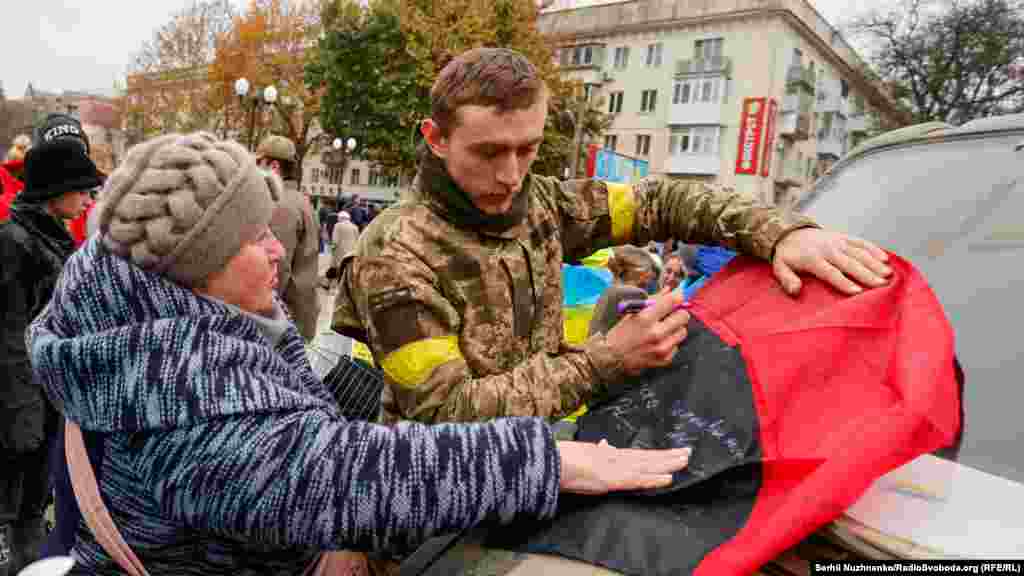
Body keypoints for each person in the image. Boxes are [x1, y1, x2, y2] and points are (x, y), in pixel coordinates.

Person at [28, 132, 693, 575]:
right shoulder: (171, 389)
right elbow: (340, 478)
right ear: (196, 276)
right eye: (255, 238)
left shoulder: (167, 309)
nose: (279, 250)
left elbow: (290, 403)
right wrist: (545, 458)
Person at [332, 47, 892, 426]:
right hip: (434, 522)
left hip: (542, 483)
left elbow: (661, 201)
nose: (510, 175)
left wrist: (779, 234)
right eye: (487, 152)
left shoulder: (543, 205)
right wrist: (608, 360)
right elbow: (446, 413)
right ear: (435, 138)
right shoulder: (394, 253)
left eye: (526, 148)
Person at [1, 115, 102, 576]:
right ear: (54, 190)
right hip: (22, 407)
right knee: (16, 505)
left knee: (34, 502)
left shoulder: (50, 237)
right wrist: (21, 414)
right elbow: (9, 335)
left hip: (46, 402)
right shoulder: (15, 241)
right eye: (80, 189)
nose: (87, 199)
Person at [255, 134, 321, 341]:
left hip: (284, 324)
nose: (254, 168)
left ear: (274, 167)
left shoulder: (280, 204)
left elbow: (277, 268)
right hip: (298, 317)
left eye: (259, 162)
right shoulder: (300, 200)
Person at [589, 245, 664, 338]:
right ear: (636, 273)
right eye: (643, 285)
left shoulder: (612, 290)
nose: (644, 290)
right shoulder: (627, 293)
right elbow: (630, 304)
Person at [329, 210, 359, 290]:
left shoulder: (338, 226)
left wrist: (332, 249)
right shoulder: (355, 227)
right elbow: (357, 240)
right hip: (351, 252)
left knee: (338, 269)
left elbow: (335, 241)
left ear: (341, 218)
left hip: (340, 251)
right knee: (348, 270)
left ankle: (335, 287)